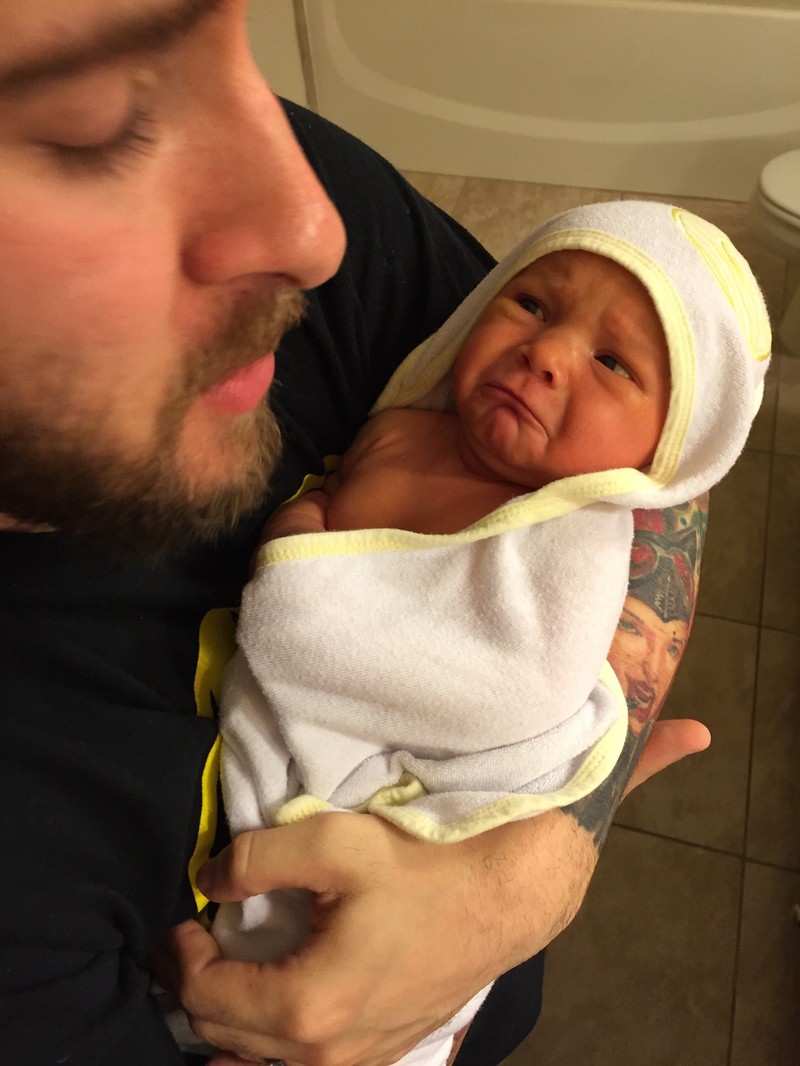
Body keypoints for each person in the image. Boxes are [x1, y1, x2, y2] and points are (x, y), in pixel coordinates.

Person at [0, 3, 714, 1065]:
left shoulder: (319, 215)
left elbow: (662, 457)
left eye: (229, 47)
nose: (311, 232)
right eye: (94, 121)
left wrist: (530, 872)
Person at [204, 201, 770, 1066]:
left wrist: (296, 554)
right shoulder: (402, 426)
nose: (545, 354)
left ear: (667, 451)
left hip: (406, 805)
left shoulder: (574, 542)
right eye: (532, 305)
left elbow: (507, 684)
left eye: (612, 361)